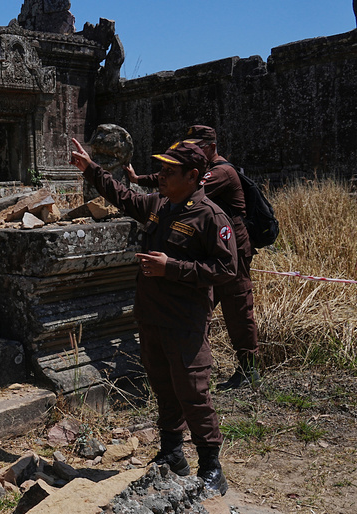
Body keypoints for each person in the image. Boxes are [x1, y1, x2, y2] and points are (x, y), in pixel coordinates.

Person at [70, 137, 237, 495]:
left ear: (193, 176)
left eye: (169, 171)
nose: (160, 176)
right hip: (151, 316)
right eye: (160, 169)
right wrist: (92, 171)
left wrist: (171, 268)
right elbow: (124, 196)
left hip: (185, 320)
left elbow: (226, 269)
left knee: (192, 391)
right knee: (163, 386)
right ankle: (172, 453)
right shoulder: (160, 205)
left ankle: (211, 466)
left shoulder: (210, 216)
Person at [127, 125, 260, 389]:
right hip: (205, 248)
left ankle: (249, 371)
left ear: (210, 147)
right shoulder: (202, 171)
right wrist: (140, 180)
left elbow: (181, 185)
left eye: (198, 146)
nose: (194, 150)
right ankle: (192, 366)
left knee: (238, 311)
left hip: (232, 252)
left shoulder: (221, 172)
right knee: (201, 309)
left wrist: (143, 184)